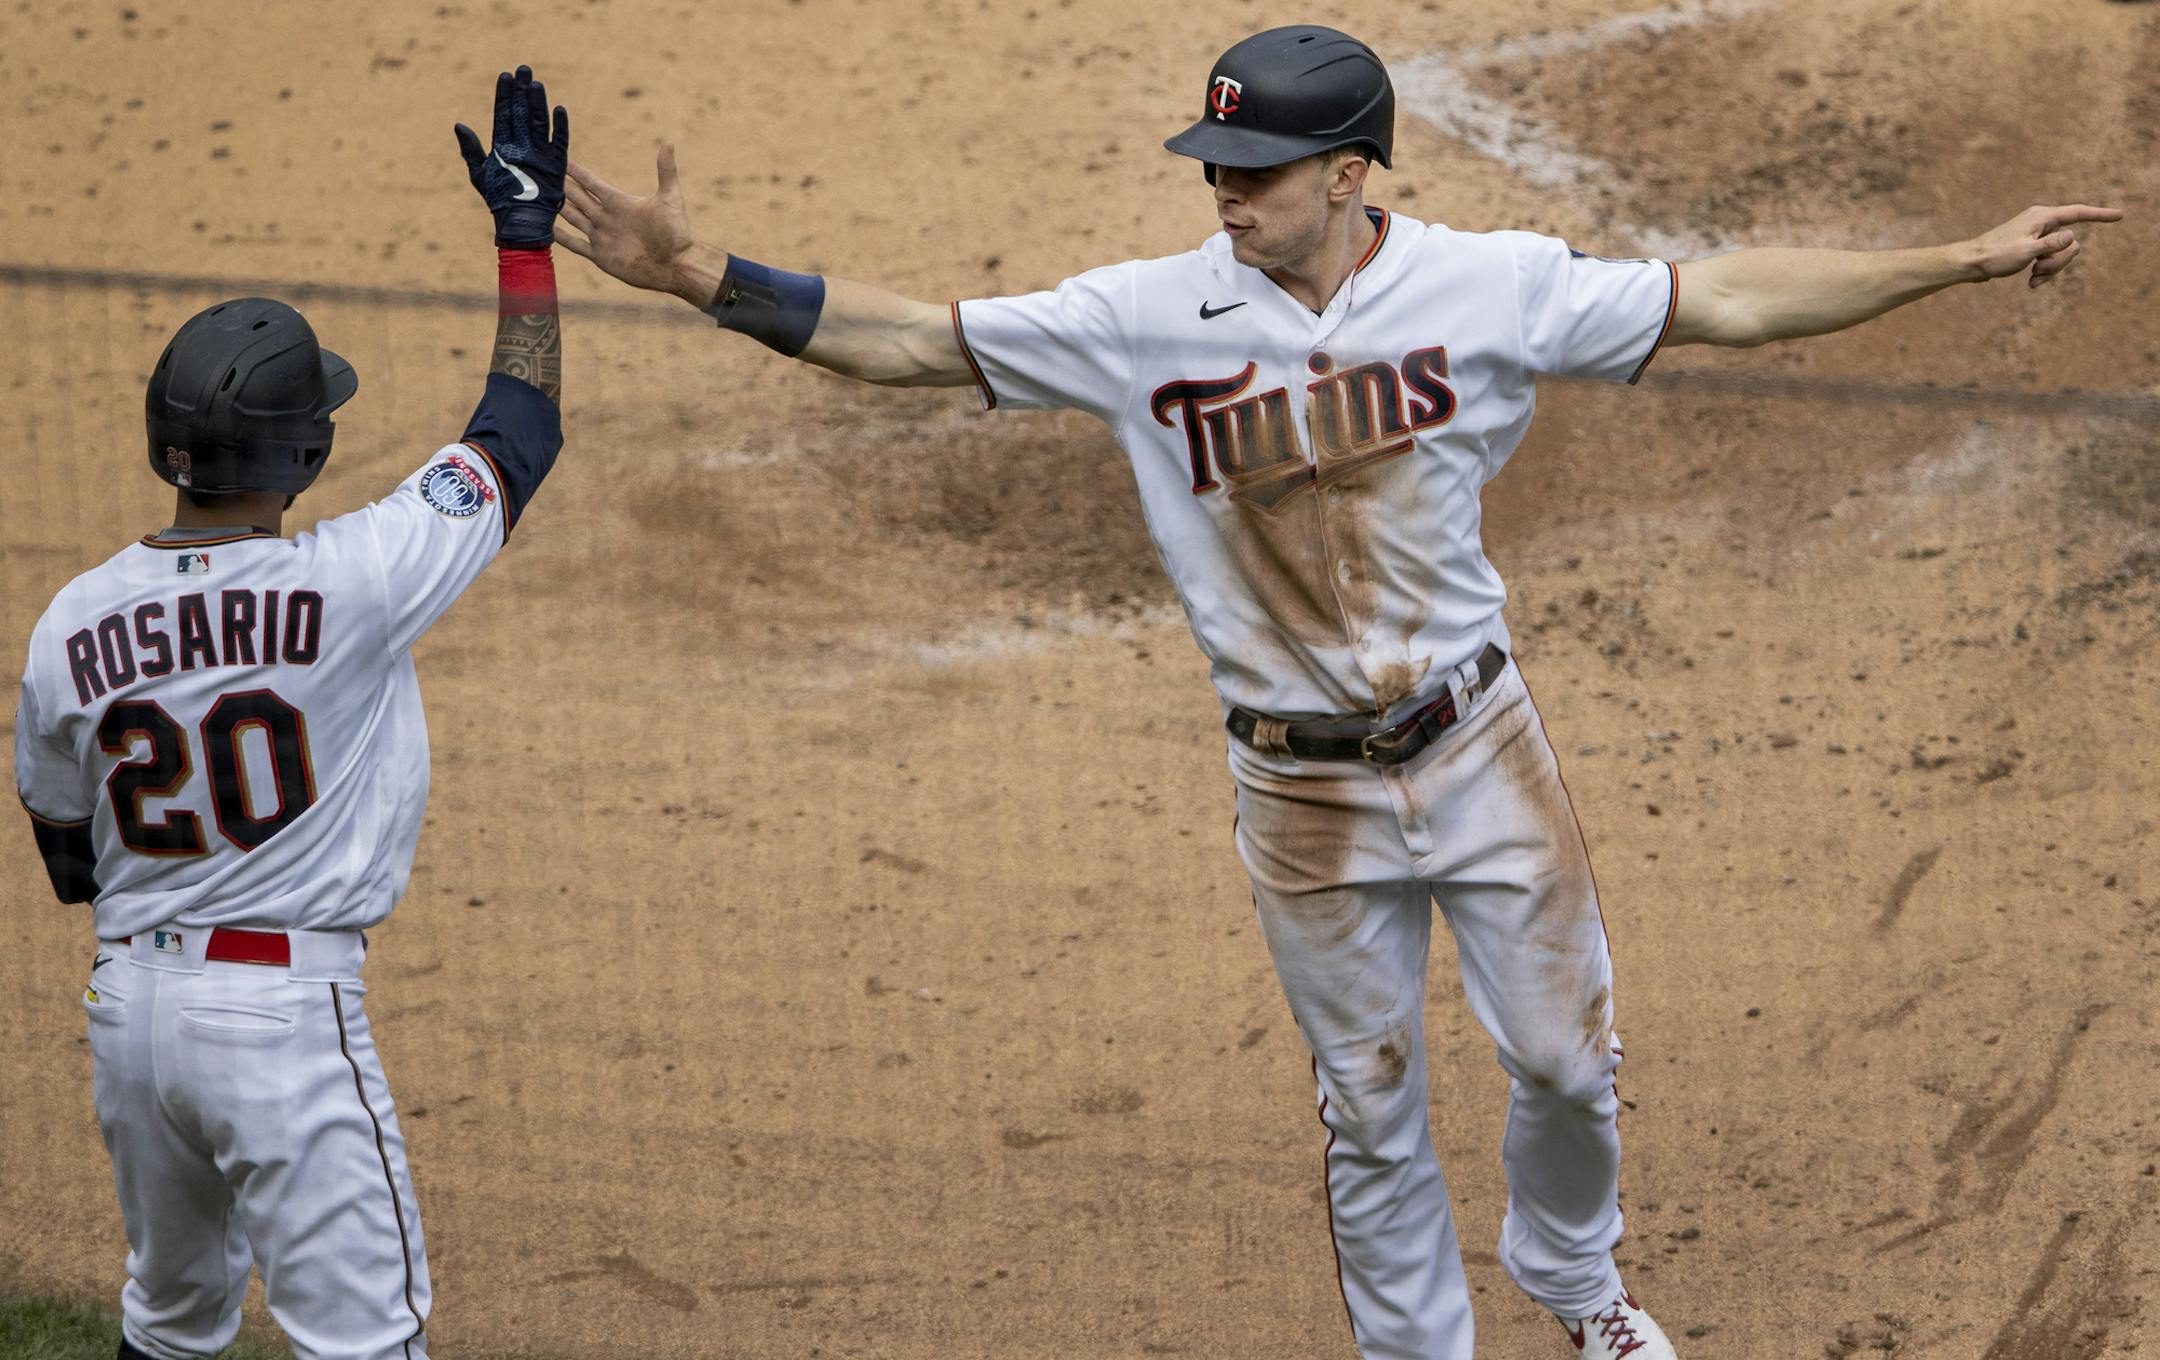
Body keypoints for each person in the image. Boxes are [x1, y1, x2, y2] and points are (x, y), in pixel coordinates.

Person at [553, 25, 2118, 1360]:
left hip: (1478, 741)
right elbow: (907, 343)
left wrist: (1964, 260)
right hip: (1297, 789)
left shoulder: (1489, 286)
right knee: (1367, 1106)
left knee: (1571, 1067)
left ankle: (1577, 1277)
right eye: (1216, 171)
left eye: (1258, 174)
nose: (1225, 196)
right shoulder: (1145, 317)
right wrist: (698, 275)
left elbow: (1730, 301)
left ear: (1353, 175)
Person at [13, 65, 569, 1360]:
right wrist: (524, 243)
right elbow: (521, 428)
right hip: (279, 1019)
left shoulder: (68, 622)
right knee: (369, 1345)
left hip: (131, 1021)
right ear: (307, 457)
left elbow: (63, 853)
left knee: (170, 1322)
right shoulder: (357, 580)